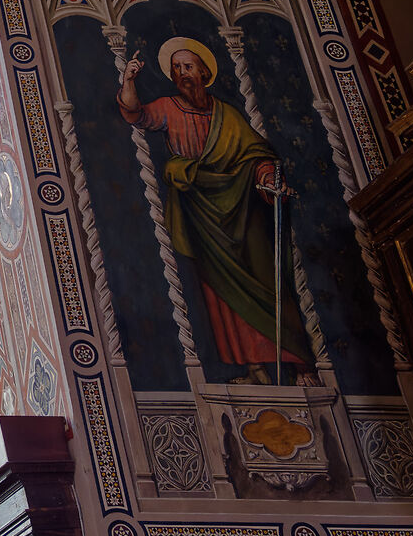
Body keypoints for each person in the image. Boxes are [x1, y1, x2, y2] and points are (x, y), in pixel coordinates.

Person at [119, 36, 311, 377]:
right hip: (201, 214)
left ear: (204, 72)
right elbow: (135, 114)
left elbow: (256, 155)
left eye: (188, 67)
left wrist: (269, 179)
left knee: (266, 279)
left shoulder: (229, 115)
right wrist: (129, 80)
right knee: (220, 294)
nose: (182, 74)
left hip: (243, 207)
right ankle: (251, 365)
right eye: (176, 68)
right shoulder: (168, 107)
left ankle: (292, 360)